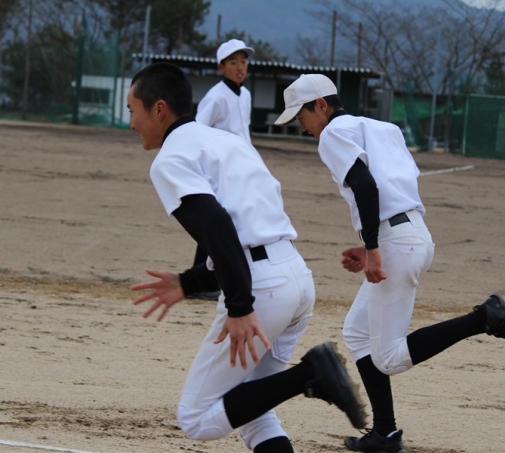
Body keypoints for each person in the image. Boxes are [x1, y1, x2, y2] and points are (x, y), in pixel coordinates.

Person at [273, 74, 505, 453]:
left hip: (397, 243)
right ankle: (385, 433)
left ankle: (485, 318)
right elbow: (391, 189)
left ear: (322, 105)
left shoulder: (332, 134)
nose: (303, 126)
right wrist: (372, 244)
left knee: (390, 358)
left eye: (302, 116)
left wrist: (374, 249)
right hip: (411, 234)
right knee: (357, 333)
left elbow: (366, 187)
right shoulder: (380, 128)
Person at [126, 62, 366, 452]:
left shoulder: (170, 159)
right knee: (254, 410)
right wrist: (189, 282)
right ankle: (310, 373)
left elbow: (219, 227)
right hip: (295, 278)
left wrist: (240, 306)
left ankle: (310, 374)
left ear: (159, 109)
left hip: (261, 290)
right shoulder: (227, 142)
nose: (131, 123)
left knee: (196, 418)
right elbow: (245, 224)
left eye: (132, 110)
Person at [186, 38, 255, 301]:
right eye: (233, 62)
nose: (240, 67)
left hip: (240, 167)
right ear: (221, 67)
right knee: (216, 221)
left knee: (231, 221)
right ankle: (202, 281)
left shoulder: (245, 94)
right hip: (218, 170)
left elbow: (243, 133)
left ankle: (214, 279)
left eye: (244, 61)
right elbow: (197, 130)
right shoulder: (216, 96)